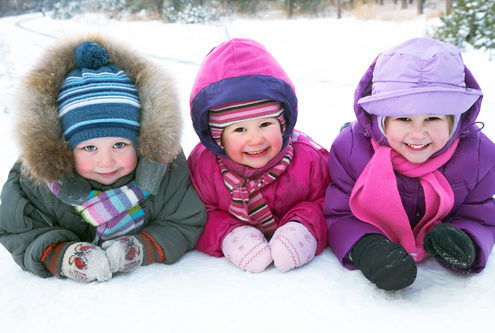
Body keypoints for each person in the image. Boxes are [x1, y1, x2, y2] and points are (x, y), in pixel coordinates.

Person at [0, 36, 206, 282]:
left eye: (119, 144)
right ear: (64, 149)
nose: (106, 162)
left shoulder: (164, 171)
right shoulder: (36, 182)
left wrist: (141, 247)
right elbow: (18, 229)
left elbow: (183, 221)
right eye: (89, 147)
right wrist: (60, 254)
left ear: (141, 142)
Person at [324, 37, 495, 290]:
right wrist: (366, 247)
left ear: (456, 120)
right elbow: (339, 213)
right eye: (404, 118)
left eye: (432, 118)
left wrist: (466, 241)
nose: (417, 134)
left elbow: (479, 212)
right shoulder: (350, 151)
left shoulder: (479, 155)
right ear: (381, 120)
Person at [188, 38, 330, 273]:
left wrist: (303, 225)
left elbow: (328, 201)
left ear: (284, 124)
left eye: (265, 124)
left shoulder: (309, 159)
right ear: (217, 138)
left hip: (296, 228)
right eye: (239, 130)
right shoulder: (203, 166)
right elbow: (198, 212)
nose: (255, 139)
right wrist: (229, 233)